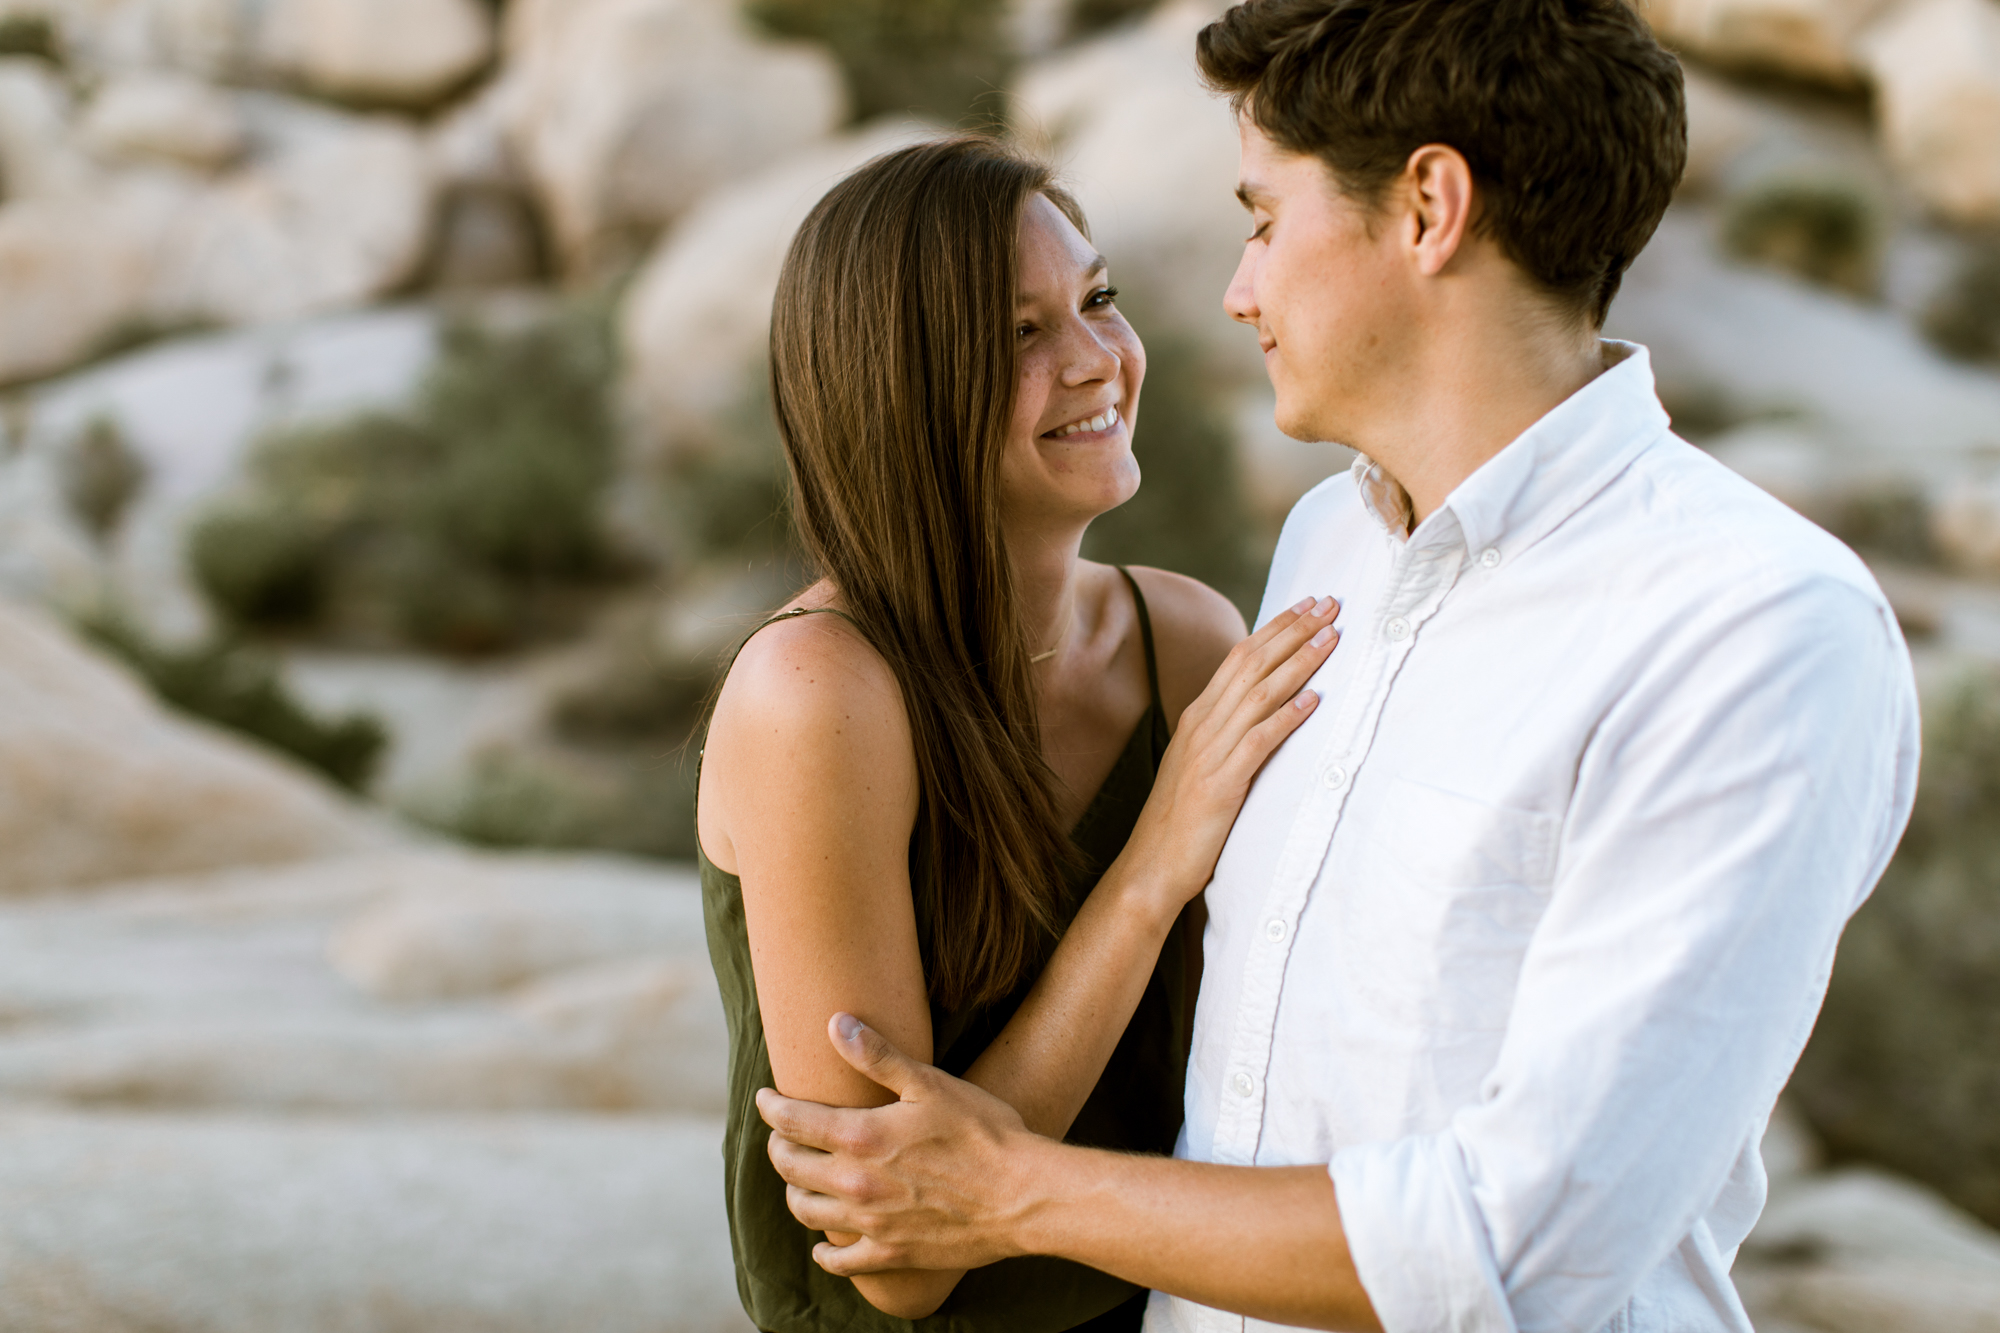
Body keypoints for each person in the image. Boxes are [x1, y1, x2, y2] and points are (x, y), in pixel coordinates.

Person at [752, 3, 1923, 1332]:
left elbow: (1520, 1242)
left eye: (1263, 219)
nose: (1240, 287)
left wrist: (1011, 1192)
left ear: (1429, 207)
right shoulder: (1327, 549)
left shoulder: (1752, 625)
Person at [696, 134, 1348, 1333]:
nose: (1098, 359)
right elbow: (895, 1259)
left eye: (1096, 300)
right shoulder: (818, 694)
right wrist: (1152, 868)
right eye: (1018, 335)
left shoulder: (1184, 641)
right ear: (900, 386)